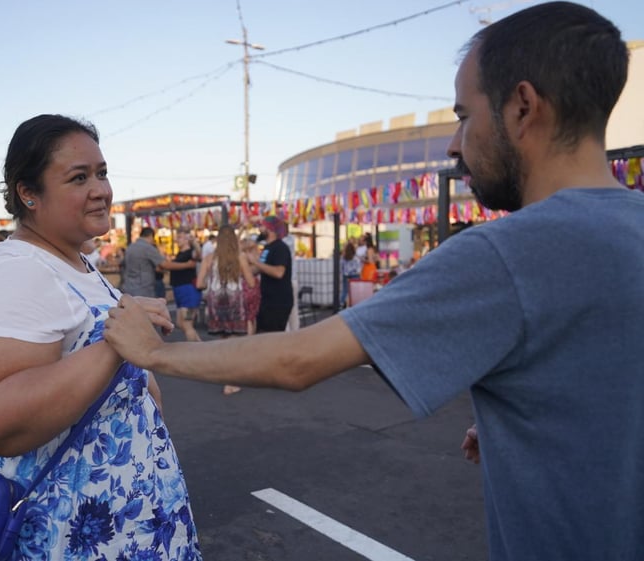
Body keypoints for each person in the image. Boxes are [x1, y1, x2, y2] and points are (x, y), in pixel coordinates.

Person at [104, 4, 642, 560]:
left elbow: (299, 360)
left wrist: (154, 352)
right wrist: (530, 422)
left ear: (523, 107)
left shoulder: (504, 253)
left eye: (464, 115)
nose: (454, 144)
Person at [0, 114, 202, 560]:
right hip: (68, 531)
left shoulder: (77, 263)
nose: (101, 189)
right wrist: (115, 342)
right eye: (79, 177)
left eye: (102, 173)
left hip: (130, 518)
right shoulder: (17, 270)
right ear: (28, 193)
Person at [196, 224, 255, 395]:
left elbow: (199, 284)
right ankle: (231, 381)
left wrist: (211, 284)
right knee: (235, 342)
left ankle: (226, 375)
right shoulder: (240, 257)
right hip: (235, 302)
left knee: (222, 341)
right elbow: (251, 282)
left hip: (216, 303)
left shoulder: (209, 258)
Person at [123, 227, 195, 298]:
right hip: (143, 289)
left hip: (128, 288)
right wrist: (187, 265)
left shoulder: (130, 247)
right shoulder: (148, 248)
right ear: (150, 236)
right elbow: (164, 265)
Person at [250, 216, 293, 333]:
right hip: (267, 300)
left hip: (278, 301)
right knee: (262, 333)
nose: (260, 229)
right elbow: (259, 269)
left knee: (272, 336)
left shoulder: (280, 248)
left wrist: (256, 262)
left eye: (262, 226)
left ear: (271, 229)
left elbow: (279, 272)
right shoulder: (267, 248)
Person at [170, 227, 202, 342]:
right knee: (180, 323)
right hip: (179, 290)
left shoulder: (190, 253)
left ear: (187, 239)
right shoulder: (180, 254)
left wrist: (194, 242)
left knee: (187, 324)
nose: (177, 240)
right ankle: (202, 346)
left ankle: (195, 350)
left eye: (180, 237)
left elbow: (198, 254)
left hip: (188, 291)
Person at [339, 240, 362, 309]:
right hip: (355, 275)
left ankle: (341, 303)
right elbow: (359, 268)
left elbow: (341, 267)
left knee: (345, 290)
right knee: (355, 290)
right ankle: (355, 304)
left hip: (346, 275)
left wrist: (344, 273)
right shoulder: (356, 258)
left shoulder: (343, 258)